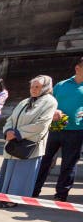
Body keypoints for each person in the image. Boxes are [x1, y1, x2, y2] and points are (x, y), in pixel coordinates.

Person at [0, 76, 57, 208]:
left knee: (21, 174)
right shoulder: (25, 101)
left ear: (45, 88)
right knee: (9, 170)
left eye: (37, 87)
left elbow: (42, 124)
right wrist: (8, 131)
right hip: (13, 142)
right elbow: (11, 118)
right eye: (32, 86)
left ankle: (13, 199)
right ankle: (2, 195)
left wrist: (17, 133)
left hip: (29, 144)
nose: (33, 89)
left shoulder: (50, 102)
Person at [33, 57, 83, 202]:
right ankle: (34, 189)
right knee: (43, 160)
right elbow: (47, 104)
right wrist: (53, 112)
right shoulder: (61, 85)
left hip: (77, 131)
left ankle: (61, 194)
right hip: (54, 129)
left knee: (69, 164)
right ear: (77, 68)